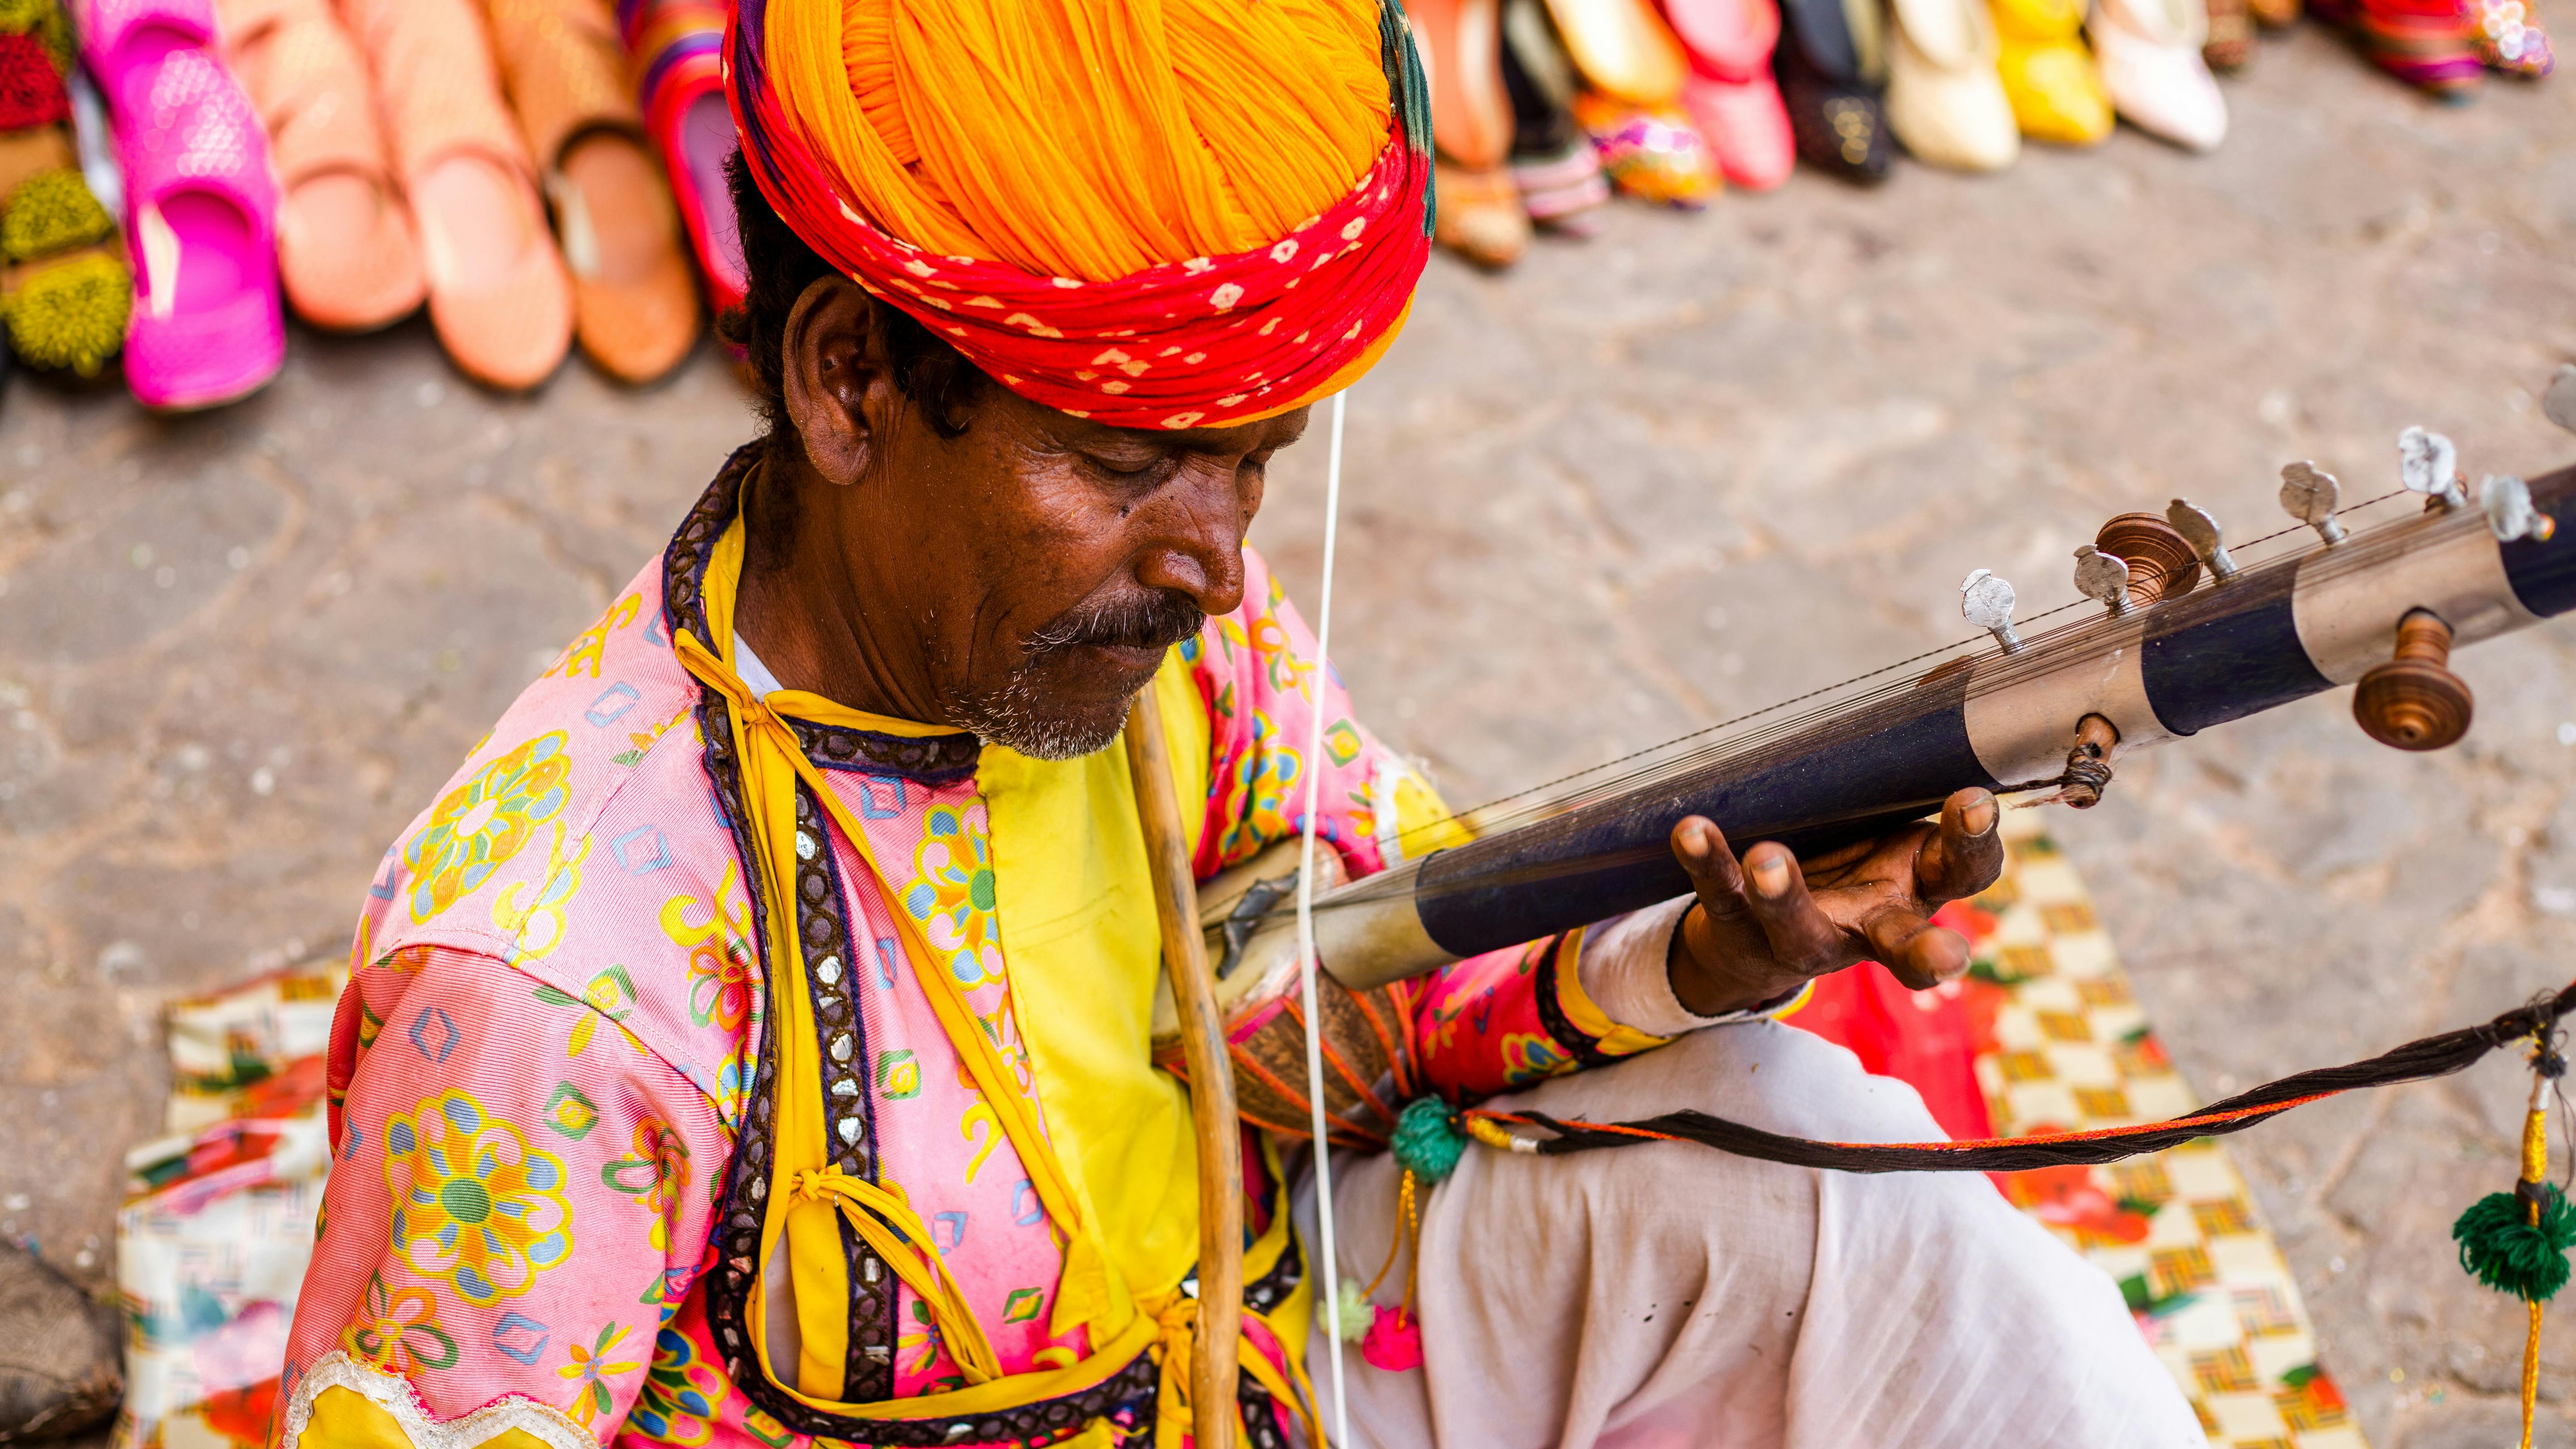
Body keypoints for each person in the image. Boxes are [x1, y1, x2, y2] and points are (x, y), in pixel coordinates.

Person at [276, 1, 2201, 1445]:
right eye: (1132, 462)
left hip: (1273, 1352)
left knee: (1803, 1145)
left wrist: (1694, 946)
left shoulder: (1154, 630)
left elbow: (1354, 1005)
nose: (1216, 559)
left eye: (1256, 467)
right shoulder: (553, 1001)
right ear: (849, 377)